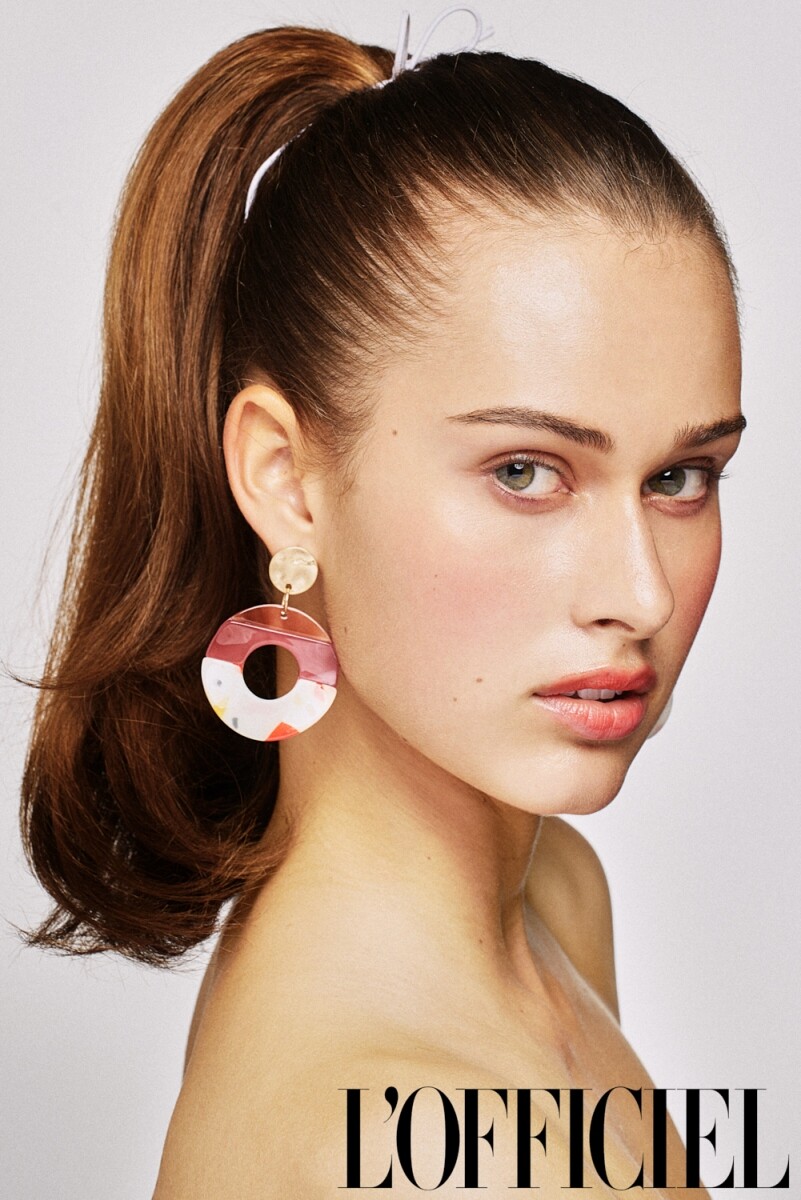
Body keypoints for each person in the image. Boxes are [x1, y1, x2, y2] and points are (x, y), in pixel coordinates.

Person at [18, 7, 744, 1196]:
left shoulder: (553, 897)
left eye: (682, 477)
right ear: (285, 482)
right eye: (526, 472)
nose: (641, 593)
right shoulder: (429, 1151)